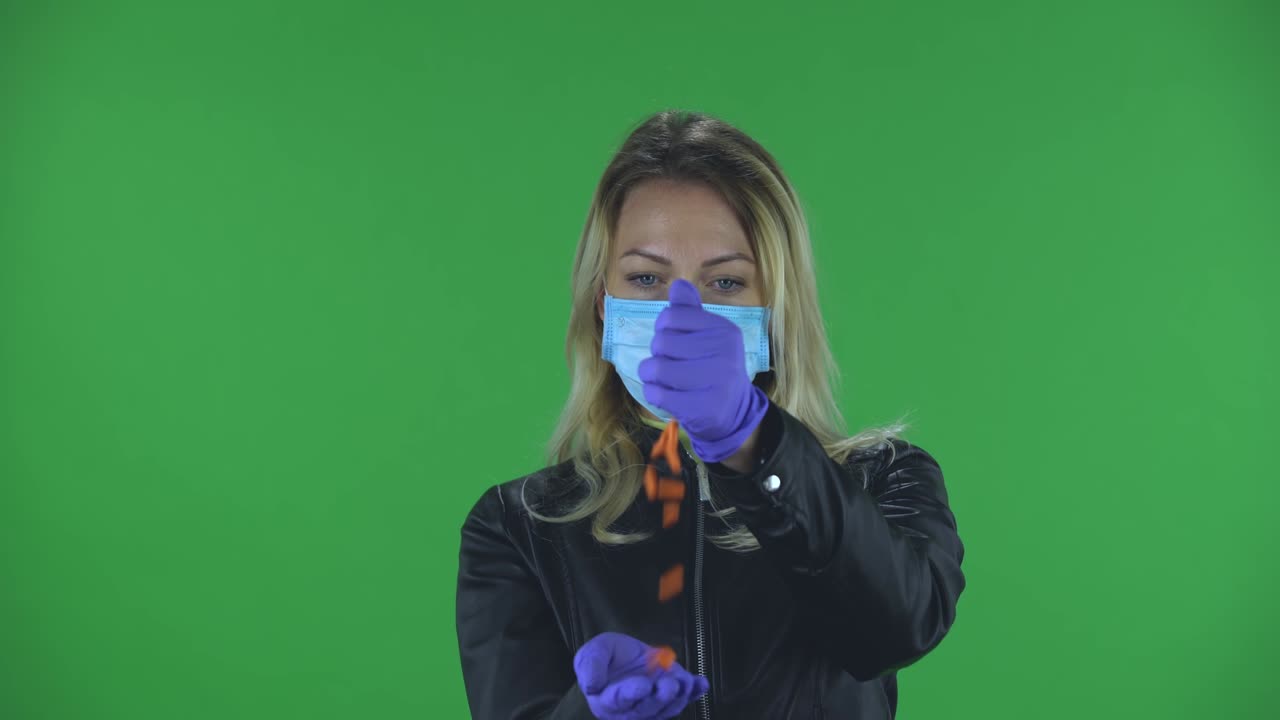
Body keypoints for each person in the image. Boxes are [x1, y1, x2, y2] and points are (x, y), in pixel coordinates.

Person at [455, 109, 966, 719]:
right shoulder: (518, 528)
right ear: (603, 303)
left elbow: (894, 632)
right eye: (646, 277)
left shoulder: (883, 480)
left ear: (774, 306)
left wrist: (751, 441)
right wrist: (594, 714)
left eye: (724, 283)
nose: (681, 313)